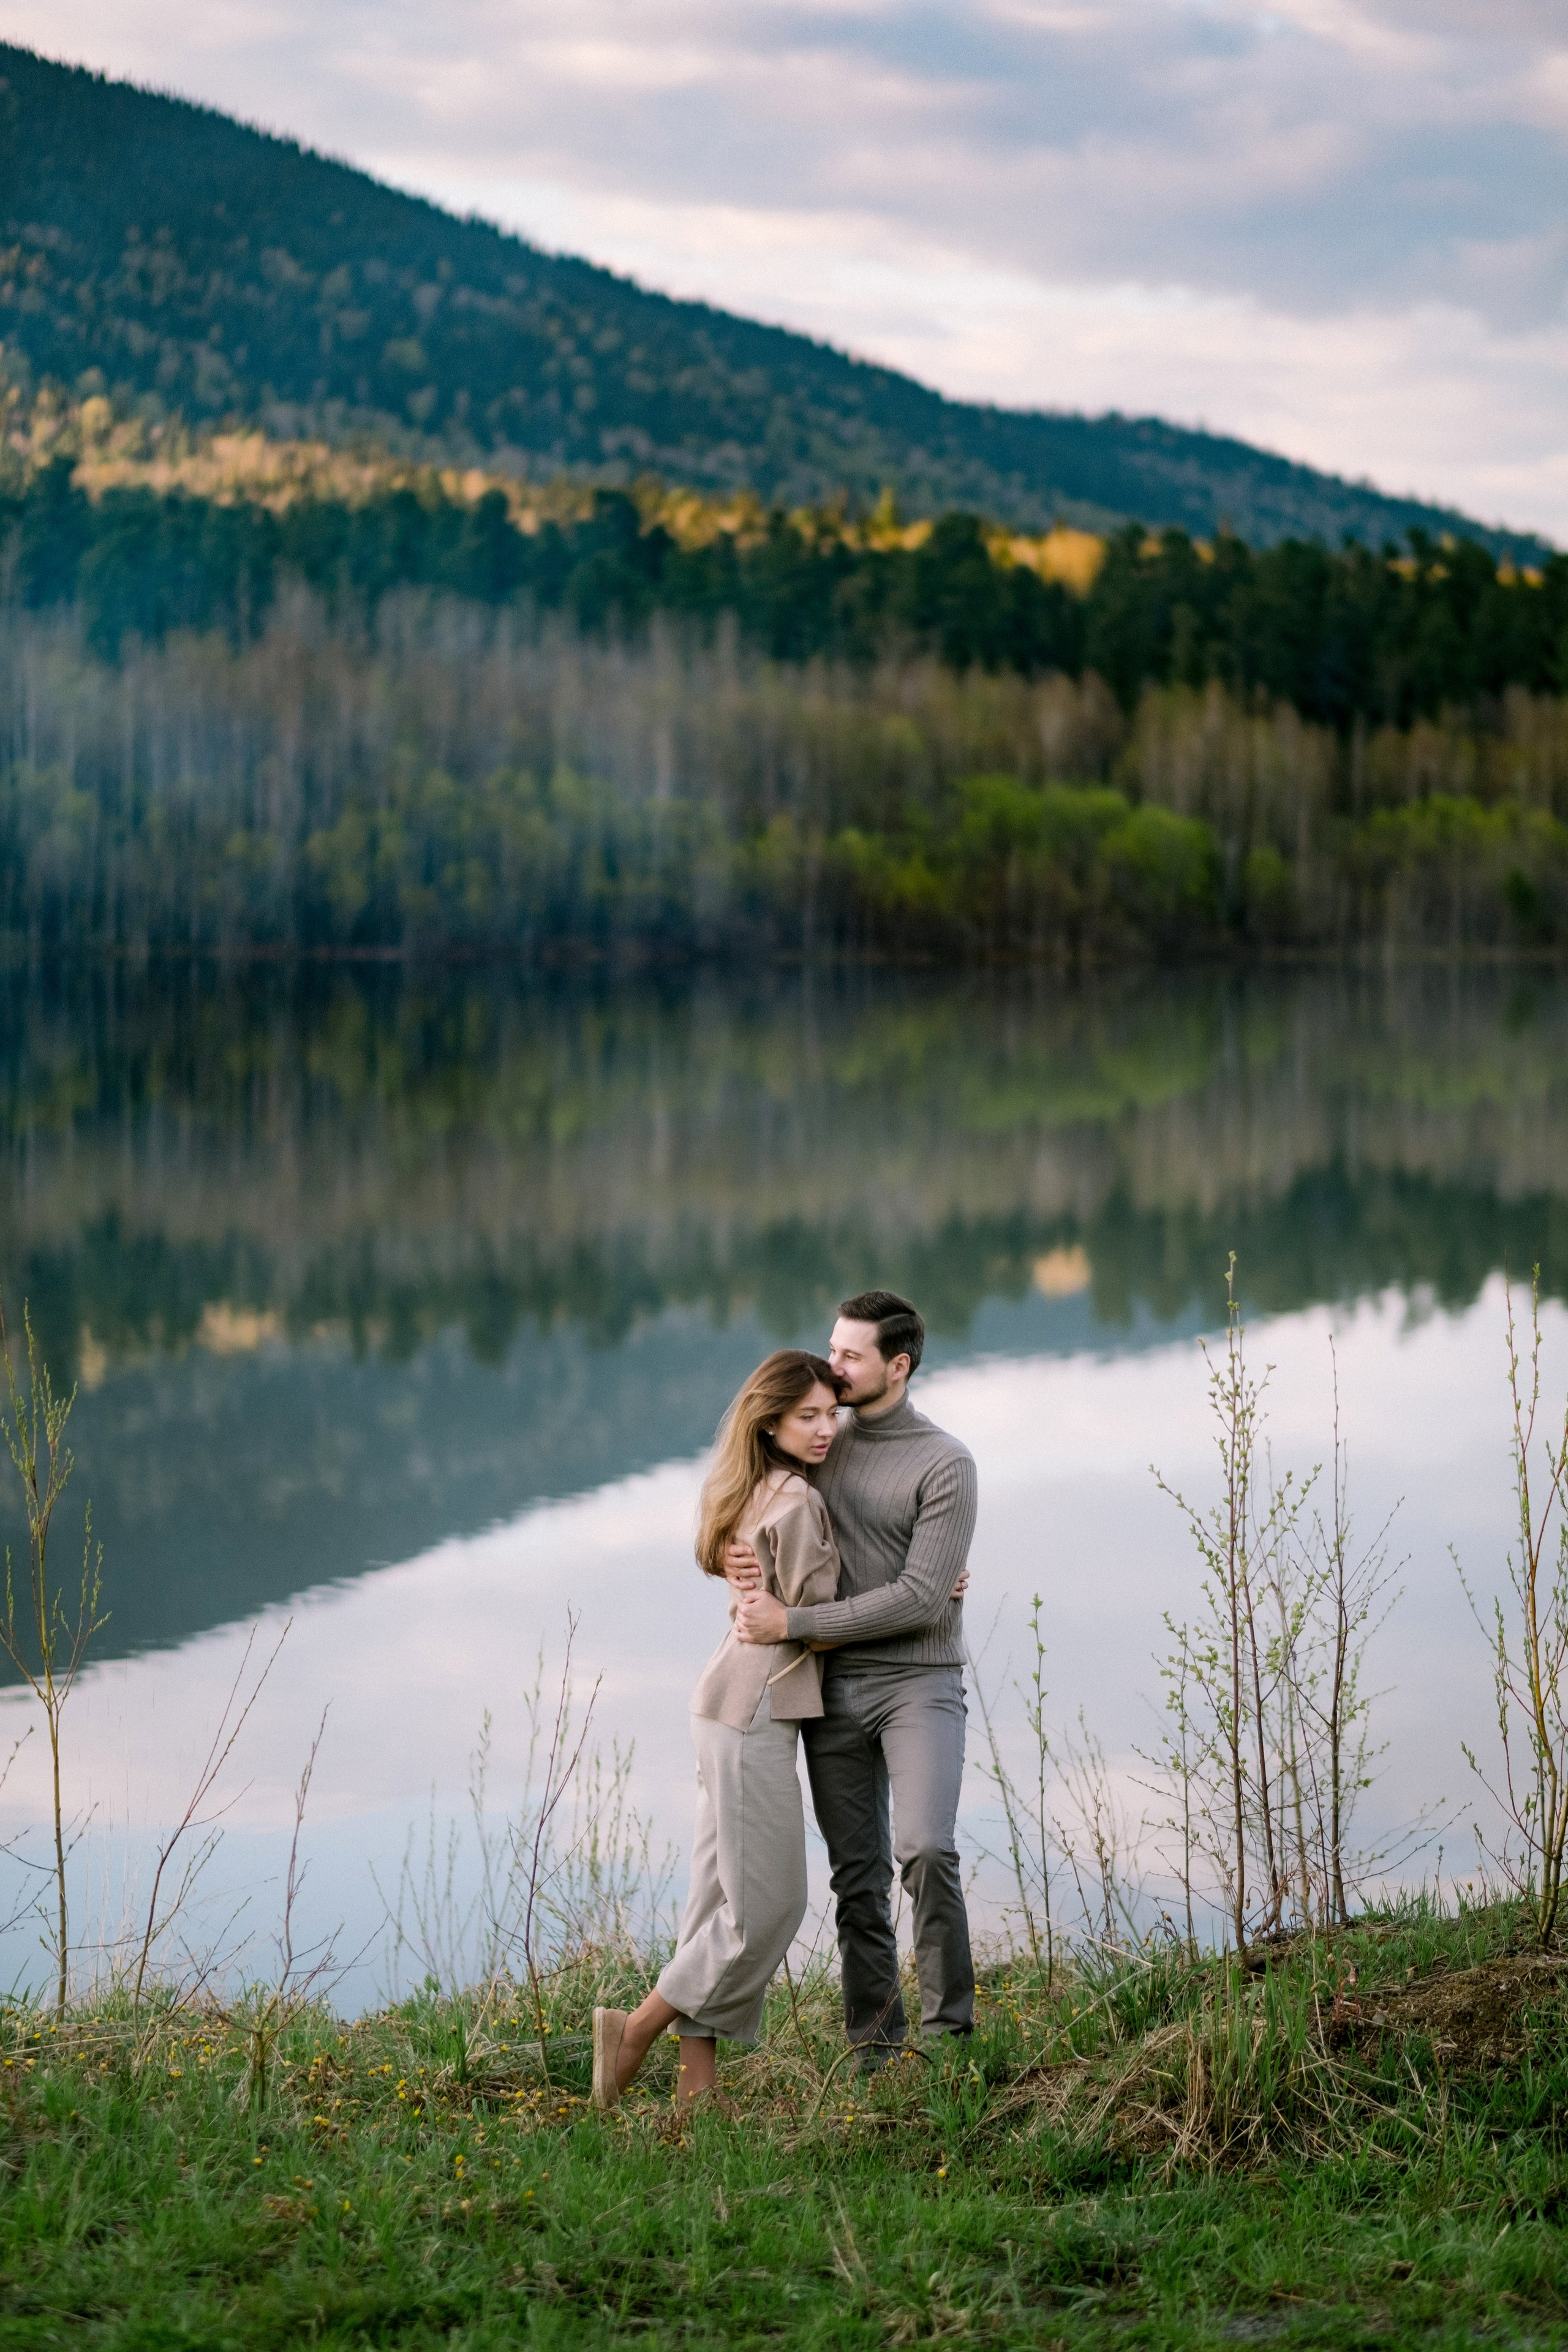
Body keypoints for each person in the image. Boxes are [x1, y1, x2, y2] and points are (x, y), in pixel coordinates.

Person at [591, 1349, 843, 2110]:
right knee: (768, 1908)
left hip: (724, 1704)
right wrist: (923, 1596)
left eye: (833, 1413)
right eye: (808, 1417)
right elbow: (821, 1623)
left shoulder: (756, 1486)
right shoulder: (796, 1501)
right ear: (771, 1421)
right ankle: (633, 2029)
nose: (826, 1428)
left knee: (714, 1900)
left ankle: (697, 2089)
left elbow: (765, 1594)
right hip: (752, 1711)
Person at [730, 1289, 977, 2062]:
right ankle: (874, 2047)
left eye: (849, 1355)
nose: (831, 1366)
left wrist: (794, 1622)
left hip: (918, 1682)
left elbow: (916, 1600)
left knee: (926, 1849)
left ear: (896, 1366)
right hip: (830, 1688)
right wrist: (731, 1565)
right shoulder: (816, 1441)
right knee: (856, 1878)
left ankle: (949, 2044)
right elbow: (741, 1511)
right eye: (832, 1348)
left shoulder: (946, 1463)